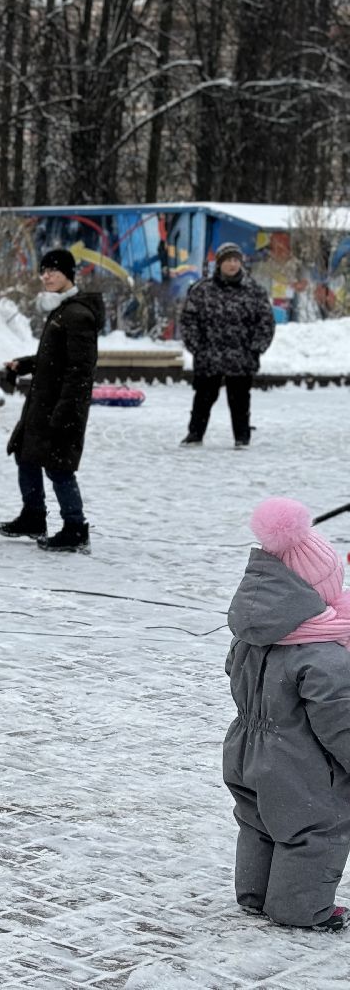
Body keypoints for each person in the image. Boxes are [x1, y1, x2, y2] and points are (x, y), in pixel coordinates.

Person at [223, 496, 350, 932]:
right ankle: (301, 910)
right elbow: (340, 723)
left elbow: (234, 675)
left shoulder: (250, 636)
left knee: (258, 823)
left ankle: (256, 895)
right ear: (313, 592)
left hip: (246, 749)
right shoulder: (322, 656)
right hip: (300, 764)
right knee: (314, 833)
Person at [0, 248, 104, 553]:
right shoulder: (62, 310)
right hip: (43, 403)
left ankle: (75, 527)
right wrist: (25, 363)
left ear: (69, 274)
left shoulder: (78, 314)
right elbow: (54, 357)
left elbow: (80, 369)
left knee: (59, 467)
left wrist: (65, 412)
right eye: (44, 271)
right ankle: (33, 517)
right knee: (25, 455)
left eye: (54, 270)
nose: (47, 276)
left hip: (60, 407)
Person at [179, 241, 276, 448]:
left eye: (236, 260)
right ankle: (195, 435)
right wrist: (196, 346)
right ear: (219, 263)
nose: (232, 265)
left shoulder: (254, 291)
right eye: (228, 260)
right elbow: (188, 320)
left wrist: (256, 348)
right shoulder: (202, 290)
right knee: (203, 398)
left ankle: (242, 438)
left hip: (241, 358)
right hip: (209, 356)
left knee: (240, 401)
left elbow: (266, 322)